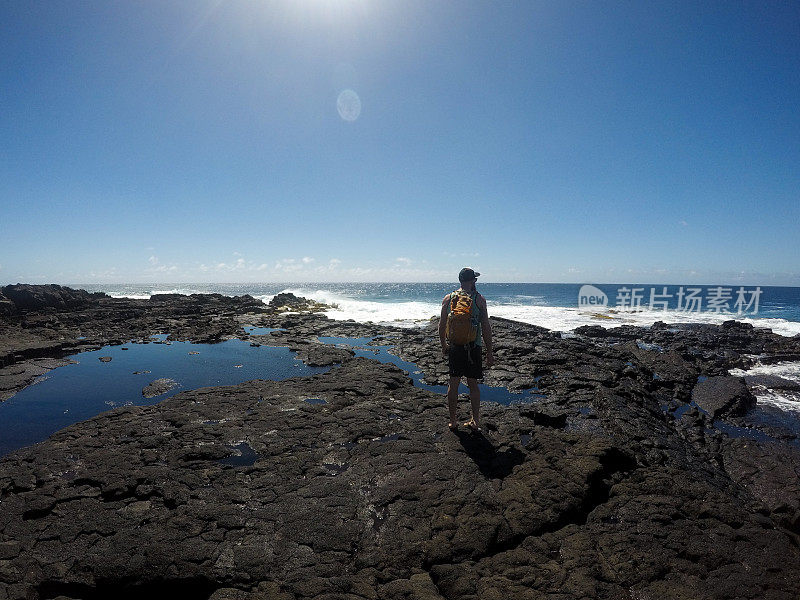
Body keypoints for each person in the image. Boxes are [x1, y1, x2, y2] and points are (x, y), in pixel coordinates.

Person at [439, 267, 494, 432]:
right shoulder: (479, 299)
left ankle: (453, 421)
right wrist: (489, 352)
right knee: (473, 385)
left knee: (453, 384)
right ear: (473, 281)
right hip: (473, 348)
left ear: (460, 280)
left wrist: (443, 345)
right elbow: (486, 327)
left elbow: (442, 325)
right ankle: (475, 421)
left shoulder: (448, 299)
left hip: (455, 347)